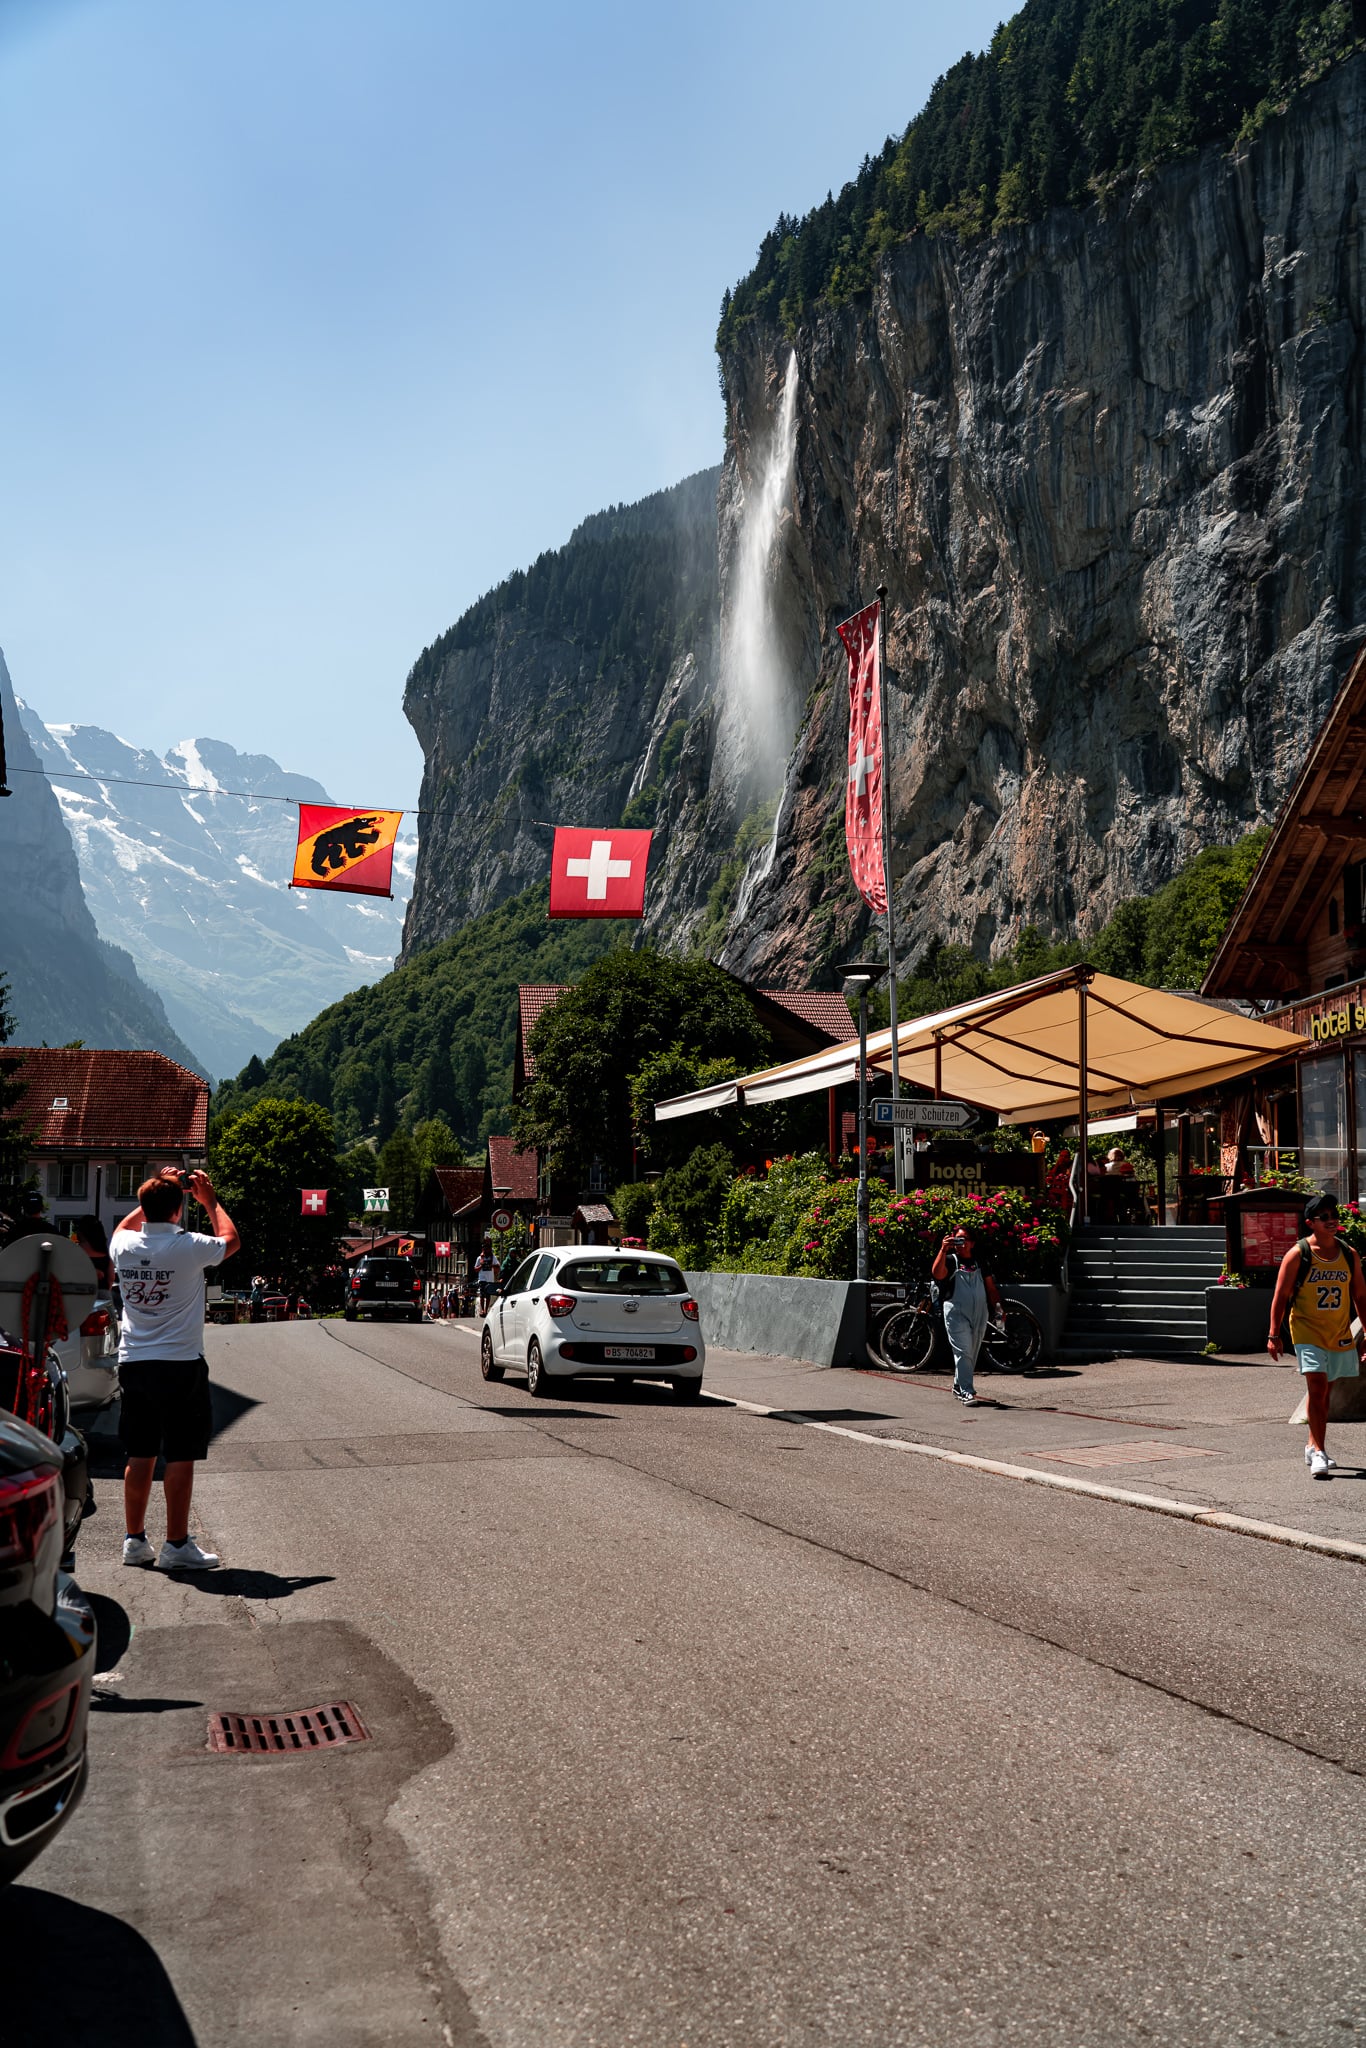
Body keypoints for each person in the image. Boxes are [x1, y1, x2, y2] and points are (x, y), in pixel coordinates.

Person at [111, 1167, 240, 1570]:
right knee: (180, 1454)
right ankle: (177, 1545)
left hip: (134, 1362)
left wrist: (156, 1191)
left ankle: (134, 1541)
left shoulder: (125, 1246)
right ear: (179, 1210)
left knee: (140, 1453)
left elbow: (123, 1227)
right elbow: (231, 1241)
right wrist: (211, 1200)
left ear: (145, 1208)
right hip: (180, 1365)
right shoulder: (189, 1246)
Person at [1267, 1193, 1366, 1480]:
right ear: (1311, 1223)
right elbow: (1281, 1296)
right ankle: (1320, 1452)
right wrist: (1274, 1333)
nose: (1332, 1220)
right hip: (1307, 1330)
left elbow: (1360, 1294)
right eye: (1324, 1217)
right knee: (1318, 1386)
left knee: (1325, 1392)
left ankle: (1311, 1443)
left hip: (1337, 1331)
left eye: (1334, 1215)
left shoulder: (1348, 1254)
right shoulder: (1298, 1254)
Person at [931, 1225, 1006, 1406]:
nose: (960, 1243)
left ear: (972, 1243)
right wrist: (943, 1249)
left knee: (971, 1352)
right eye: (957, 1239)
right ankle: (966, 1391)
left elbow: (990, 1288)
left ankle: (958, 1385)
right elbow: (937, 1273)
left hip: (980, 1312)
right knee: (963, 1351)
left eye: (964, 1240)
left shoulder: (980, 1262)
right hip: (956, 1312)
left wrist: (998, 1309)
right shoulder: (949, 1260)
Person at [473, 1238, 500, 1317]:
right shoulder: (479, 1258)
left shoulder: (493, 1257)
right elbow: (475, 1269)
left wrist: (492, 1265)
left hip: (489, 1279)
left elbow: (498, 1266)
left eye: (488, 1249)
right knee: (482, 1295)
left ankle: (486, 1310)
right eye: (485, 1249)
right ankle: (482, 1309)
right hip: (482, 1279)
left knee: (488, 1295)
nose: (486, 1250)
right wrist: (481, 1265)